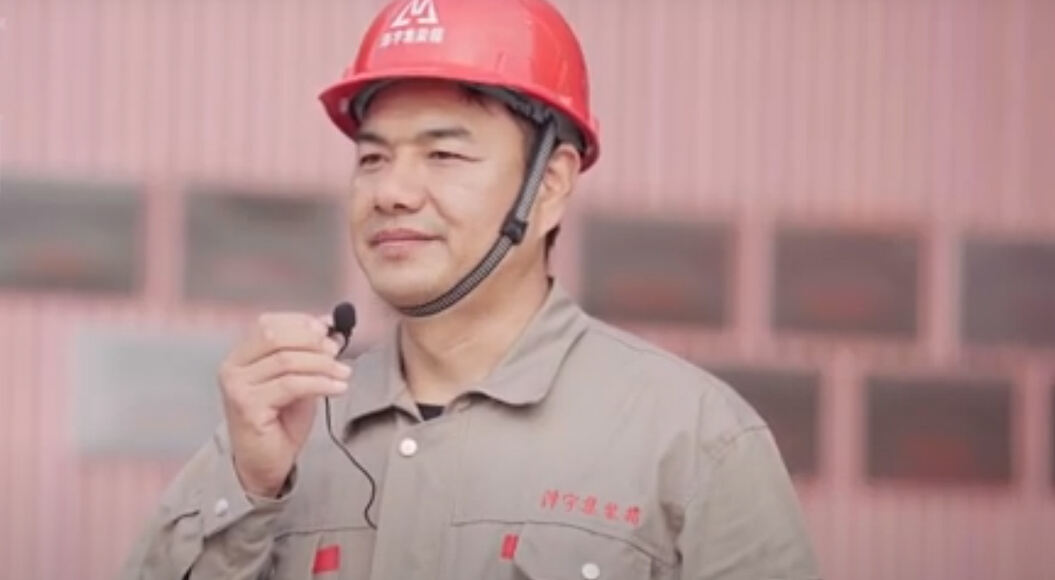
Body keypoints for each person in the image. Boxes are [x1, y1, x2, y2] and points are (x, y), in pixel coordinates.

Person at [120, 0, 820, 578]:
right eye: (372, 157)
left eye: (443, 154)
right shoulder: (287, 431)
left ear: (548, 186)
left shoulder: (693, 438)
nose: (391, 191)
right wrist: (249, 485)